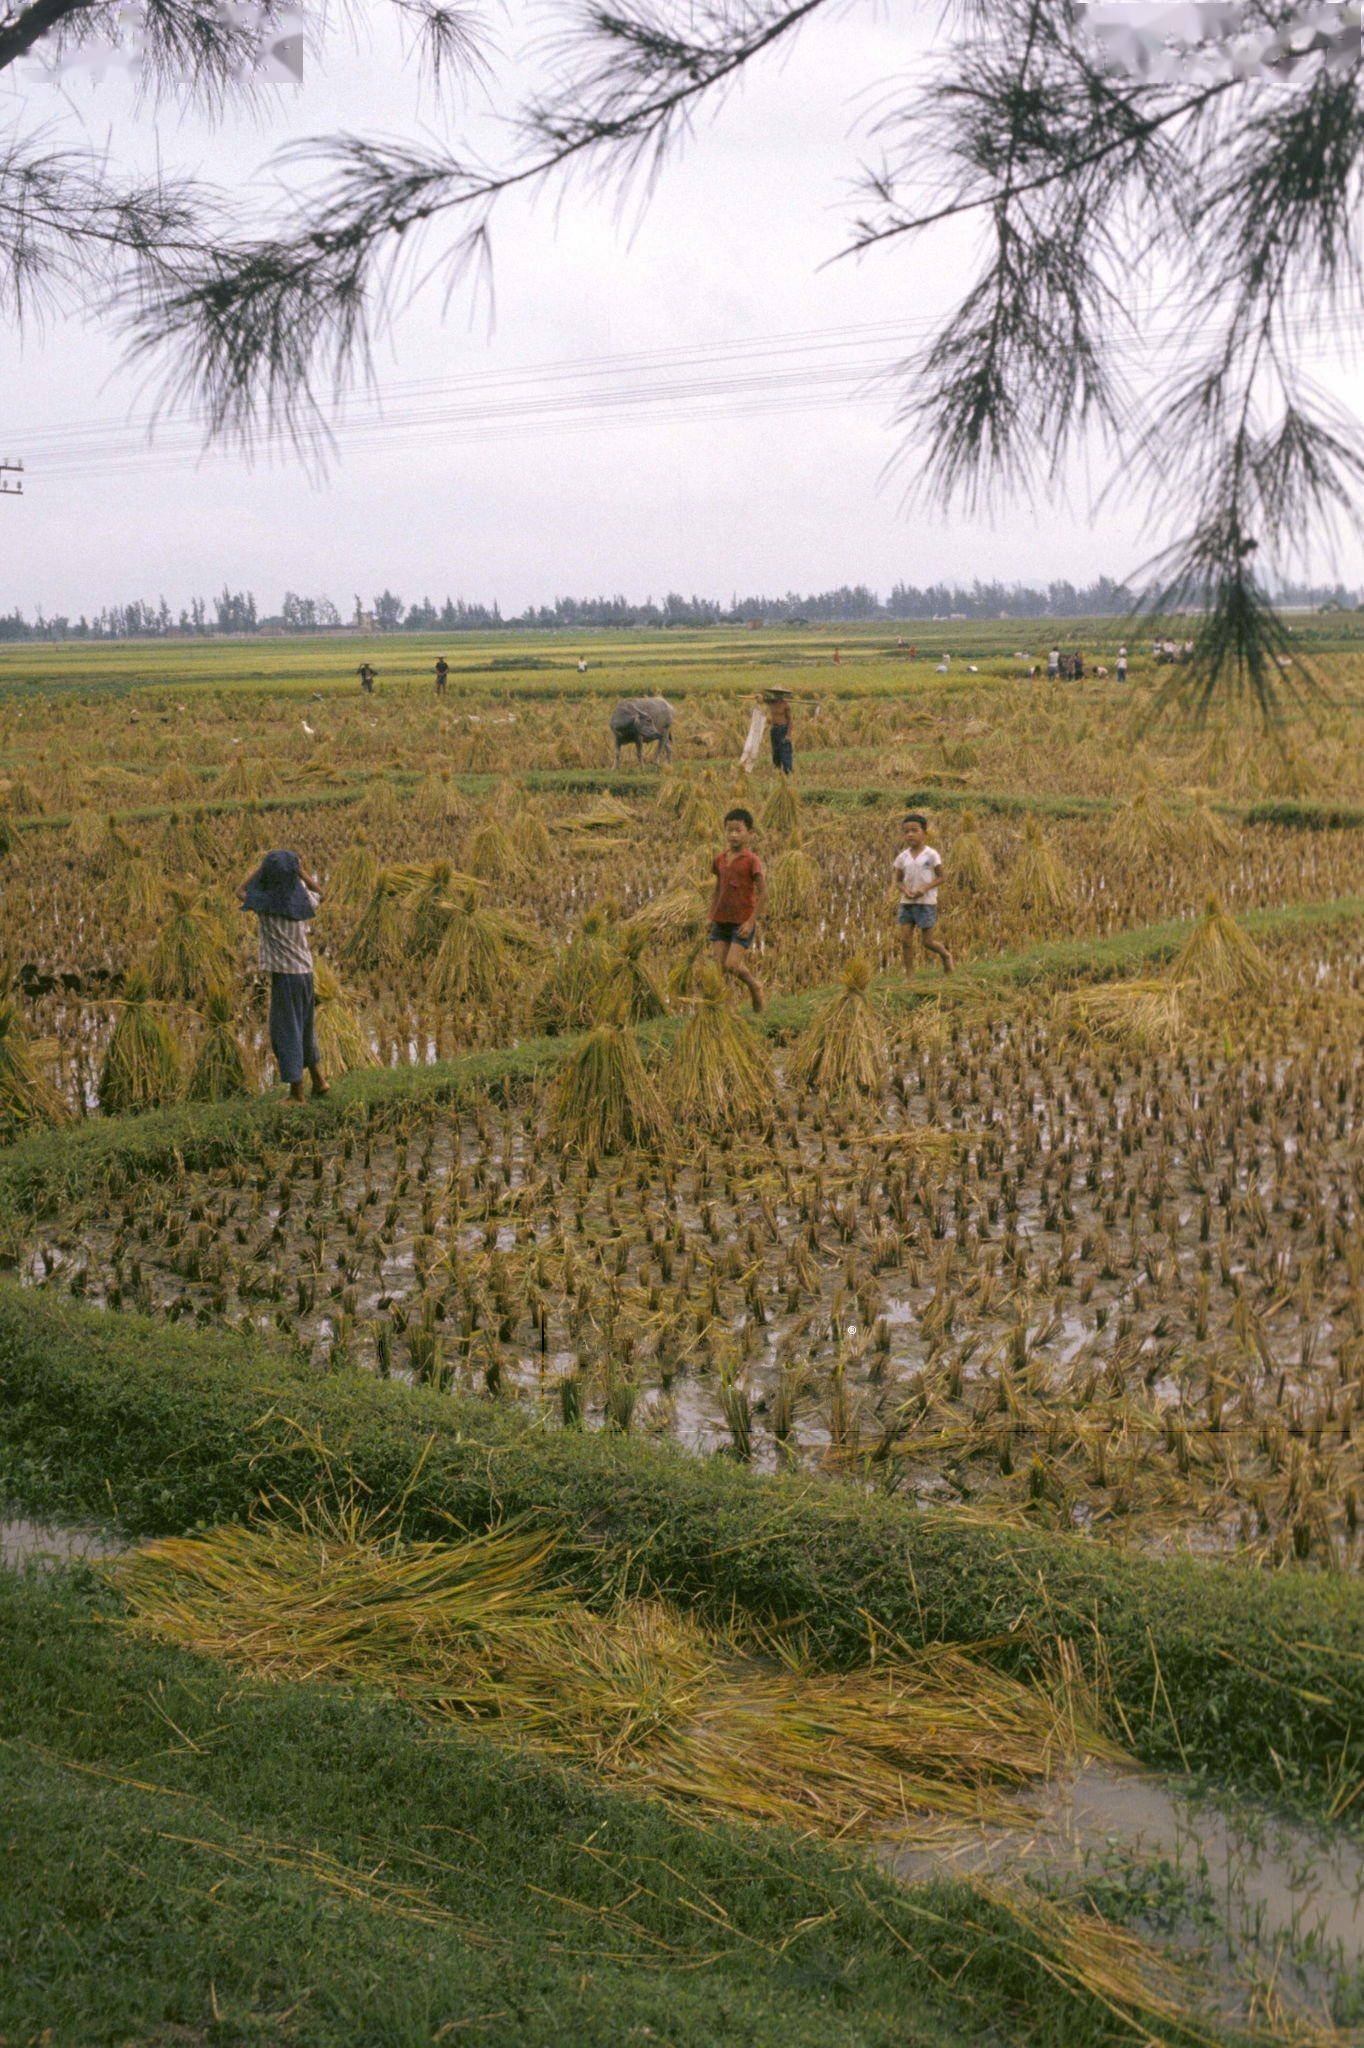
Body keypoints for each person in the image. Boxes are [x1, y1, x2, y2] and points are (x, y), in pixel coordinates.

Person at [241, 849, 329, 1103]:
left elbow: (239, 891)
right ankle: (320, 1081)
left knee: (286, 1031)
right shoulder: (301, 901)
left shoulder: (265, 906)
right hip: (305, 973)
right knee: (304, 1027)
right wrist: (301, 872)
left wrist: (260, 868)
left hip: (286, 977)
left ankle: (296, 1094)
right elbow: (320, 893)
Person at [709, 807, 766, 1013]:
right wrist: (711, 914)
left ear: (750, 834)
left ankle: (754, 986)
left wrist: (750, 922)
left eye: (738, 830)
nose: (733, 834)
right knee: (717, 968)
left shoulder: (752, 861)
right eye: (729, 830)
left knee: (732, 965)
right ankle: (722, 1009)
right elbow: (718, 887)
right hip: (720, 919)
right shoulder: (719, 860)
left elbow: (764, 894)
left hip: (741, 921)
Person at [894, 813, 953, 976]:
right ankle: (909, 975)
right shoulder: (902, 857)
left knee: (927, 942)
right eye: (906, 832)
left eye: (914, 830)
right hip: (907, 903)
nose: (910, 834)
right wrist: (905, 890)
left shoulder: (931, 855)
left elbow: (942, 877)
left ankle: (946, 956)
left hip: (926, 902)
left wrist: (923, 889)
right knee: (906, 940)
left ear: (924, 833)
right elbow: (898, 880)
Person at [765, 689, 793, 774]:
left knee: (785, 751)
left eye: (779, 694)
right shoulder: (771, 703)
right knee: (775, 751)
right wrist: (759, 697)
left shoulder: (785, 705)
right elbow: (761, 698)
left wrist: (788, 734)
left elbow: (790, 720)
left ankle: (787, 771)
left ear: (782, 695)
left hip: (783, 729)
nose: (777, 695)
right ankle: (777, 770)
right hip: (774, 729)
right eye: (776, 694)